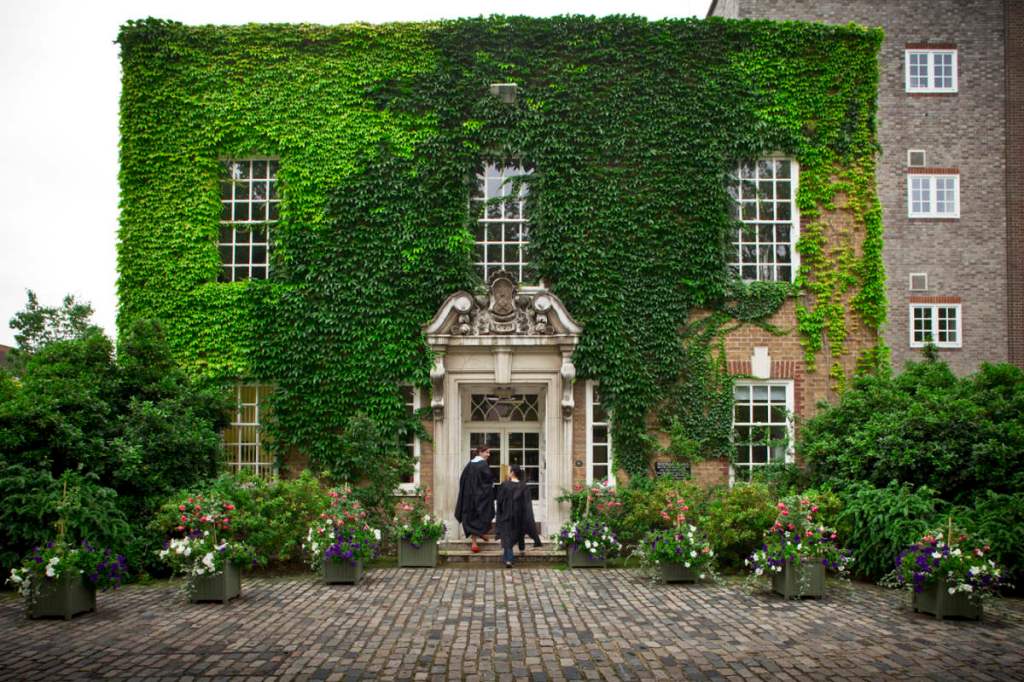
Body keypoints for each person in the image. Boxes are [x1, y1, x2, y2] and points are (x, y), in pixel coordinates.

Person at [495, 465, 542, 568]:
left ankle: (509, 560)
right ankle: (519, 550)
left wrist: (500, 514)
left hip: (506, 515)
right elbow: (527, 504)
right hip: (519, 515)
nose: (507, 472)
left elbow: (500, 501)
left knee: (507, 536)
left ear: (512, 473)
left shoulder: (505, 485)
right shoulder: (523, 486)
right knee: (515, 534)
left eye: (508, 471)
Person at [454, 444, 495, 553]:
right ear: (480, 452)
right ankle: (476, 541)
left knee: (471, 518)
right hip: (480, 497)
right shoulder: (483, 464)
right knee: (483, 514)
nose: (488, 454)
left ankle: (476, 540)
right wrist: (491, 487)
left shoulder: (469, 465)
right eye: (487, 452)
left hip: (469, 498)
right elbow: (488, 481)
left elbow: (462, 480)